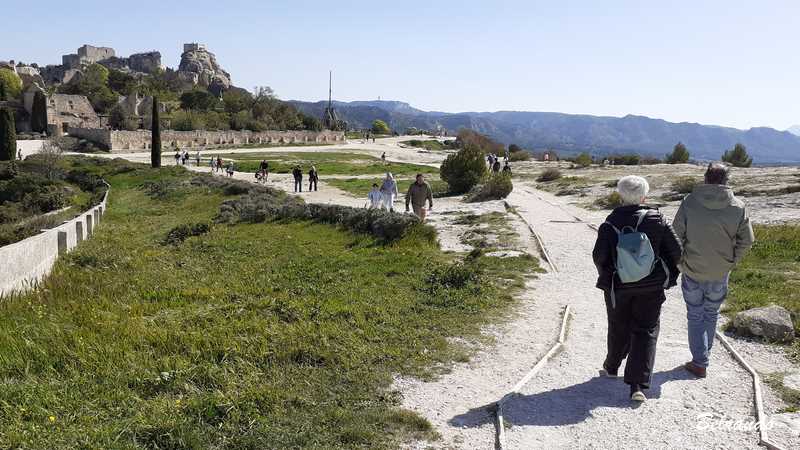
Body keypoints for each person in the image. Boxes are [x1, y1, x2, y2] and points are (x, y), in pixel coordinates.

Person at [592, 175, 682, 402]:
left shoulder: (610, 222)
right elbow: (677, 252)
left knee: (618, 325)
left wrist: (608, 275)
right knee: (646, 330)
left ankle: (612, 367)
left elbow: (599, 256)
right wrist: (664, 274)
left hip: (618, 286)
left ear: (620, 195)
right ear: (644, 196)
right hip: (651, 287)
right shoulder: (658, 219)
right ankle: (637, 385)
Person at [672, 163, 754, 378]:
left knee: (695, 314)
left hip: (692, 268)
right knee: (711, 313)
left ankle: (700, 361)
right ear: (726, 180)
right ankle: (702, 358)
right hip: (720, 270)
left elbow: (675, 235)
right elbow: (747, 240)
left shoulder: (689, 202)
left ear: (706, 178)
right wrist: (732, 261)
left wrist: (680, 261)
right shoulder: (738, 206)